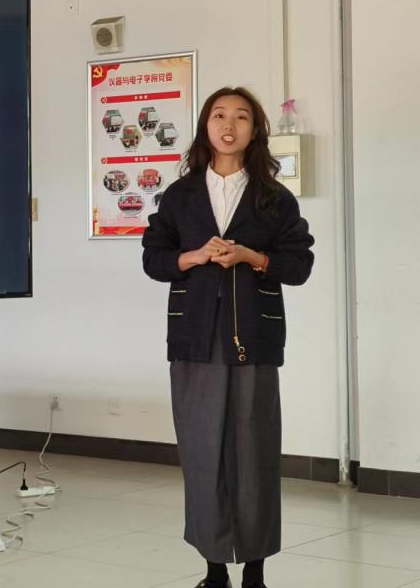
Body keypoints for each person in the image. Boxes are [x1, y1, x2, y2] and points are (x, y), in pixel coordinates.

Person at [142, 87, 314, 588]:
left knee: (255, 453)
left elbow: (299, 265)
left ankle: (255, 572)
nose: (228, 125)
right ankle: (214, 570)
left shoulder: (274, 198)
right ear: (206, 127)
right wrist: (196, 256)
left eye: (241, 117)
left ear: (255, 130)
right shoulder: (180, 195)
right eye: (219, 115)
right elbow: (154, 258)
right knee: (201, 452)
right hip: (195, 340)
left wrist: (251, 257)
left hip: (253, 340)